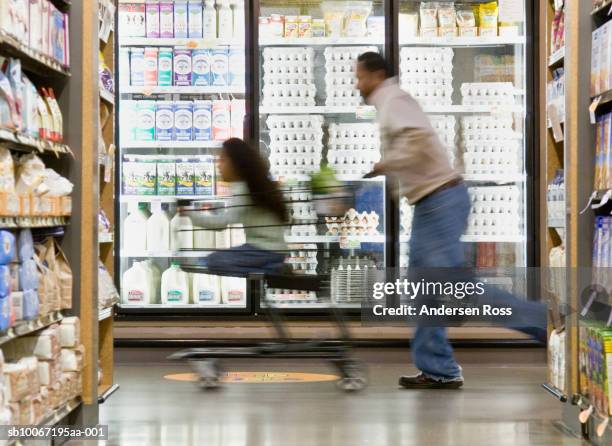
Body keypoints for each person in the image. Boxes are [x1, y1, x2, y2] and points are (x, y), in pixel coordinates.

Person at [355, 52, 547, 389]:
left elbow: (415, 141)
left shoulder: (391, 98)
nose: (357, 83)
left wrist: (385, 164)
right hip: (431, 204)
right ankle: (438, 369)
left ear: (375, 74)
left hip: (440, 201)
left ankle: (545, 322)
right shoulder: (390, 101)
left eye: (360, 76)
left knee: (456, 287)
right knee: (423, 289)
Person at [187, 138, 288, 276]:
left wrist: (187, 214)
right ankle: (270, 267)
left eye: (222, 160)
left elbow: (221, 223)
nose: (218, 166)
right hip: (274, 251)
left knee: (209, 262)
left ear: (235, 163)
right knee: (215, 261)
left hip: (262, 251)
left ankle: (270, 268)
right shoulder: (256, 184)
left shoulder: (243, 189)